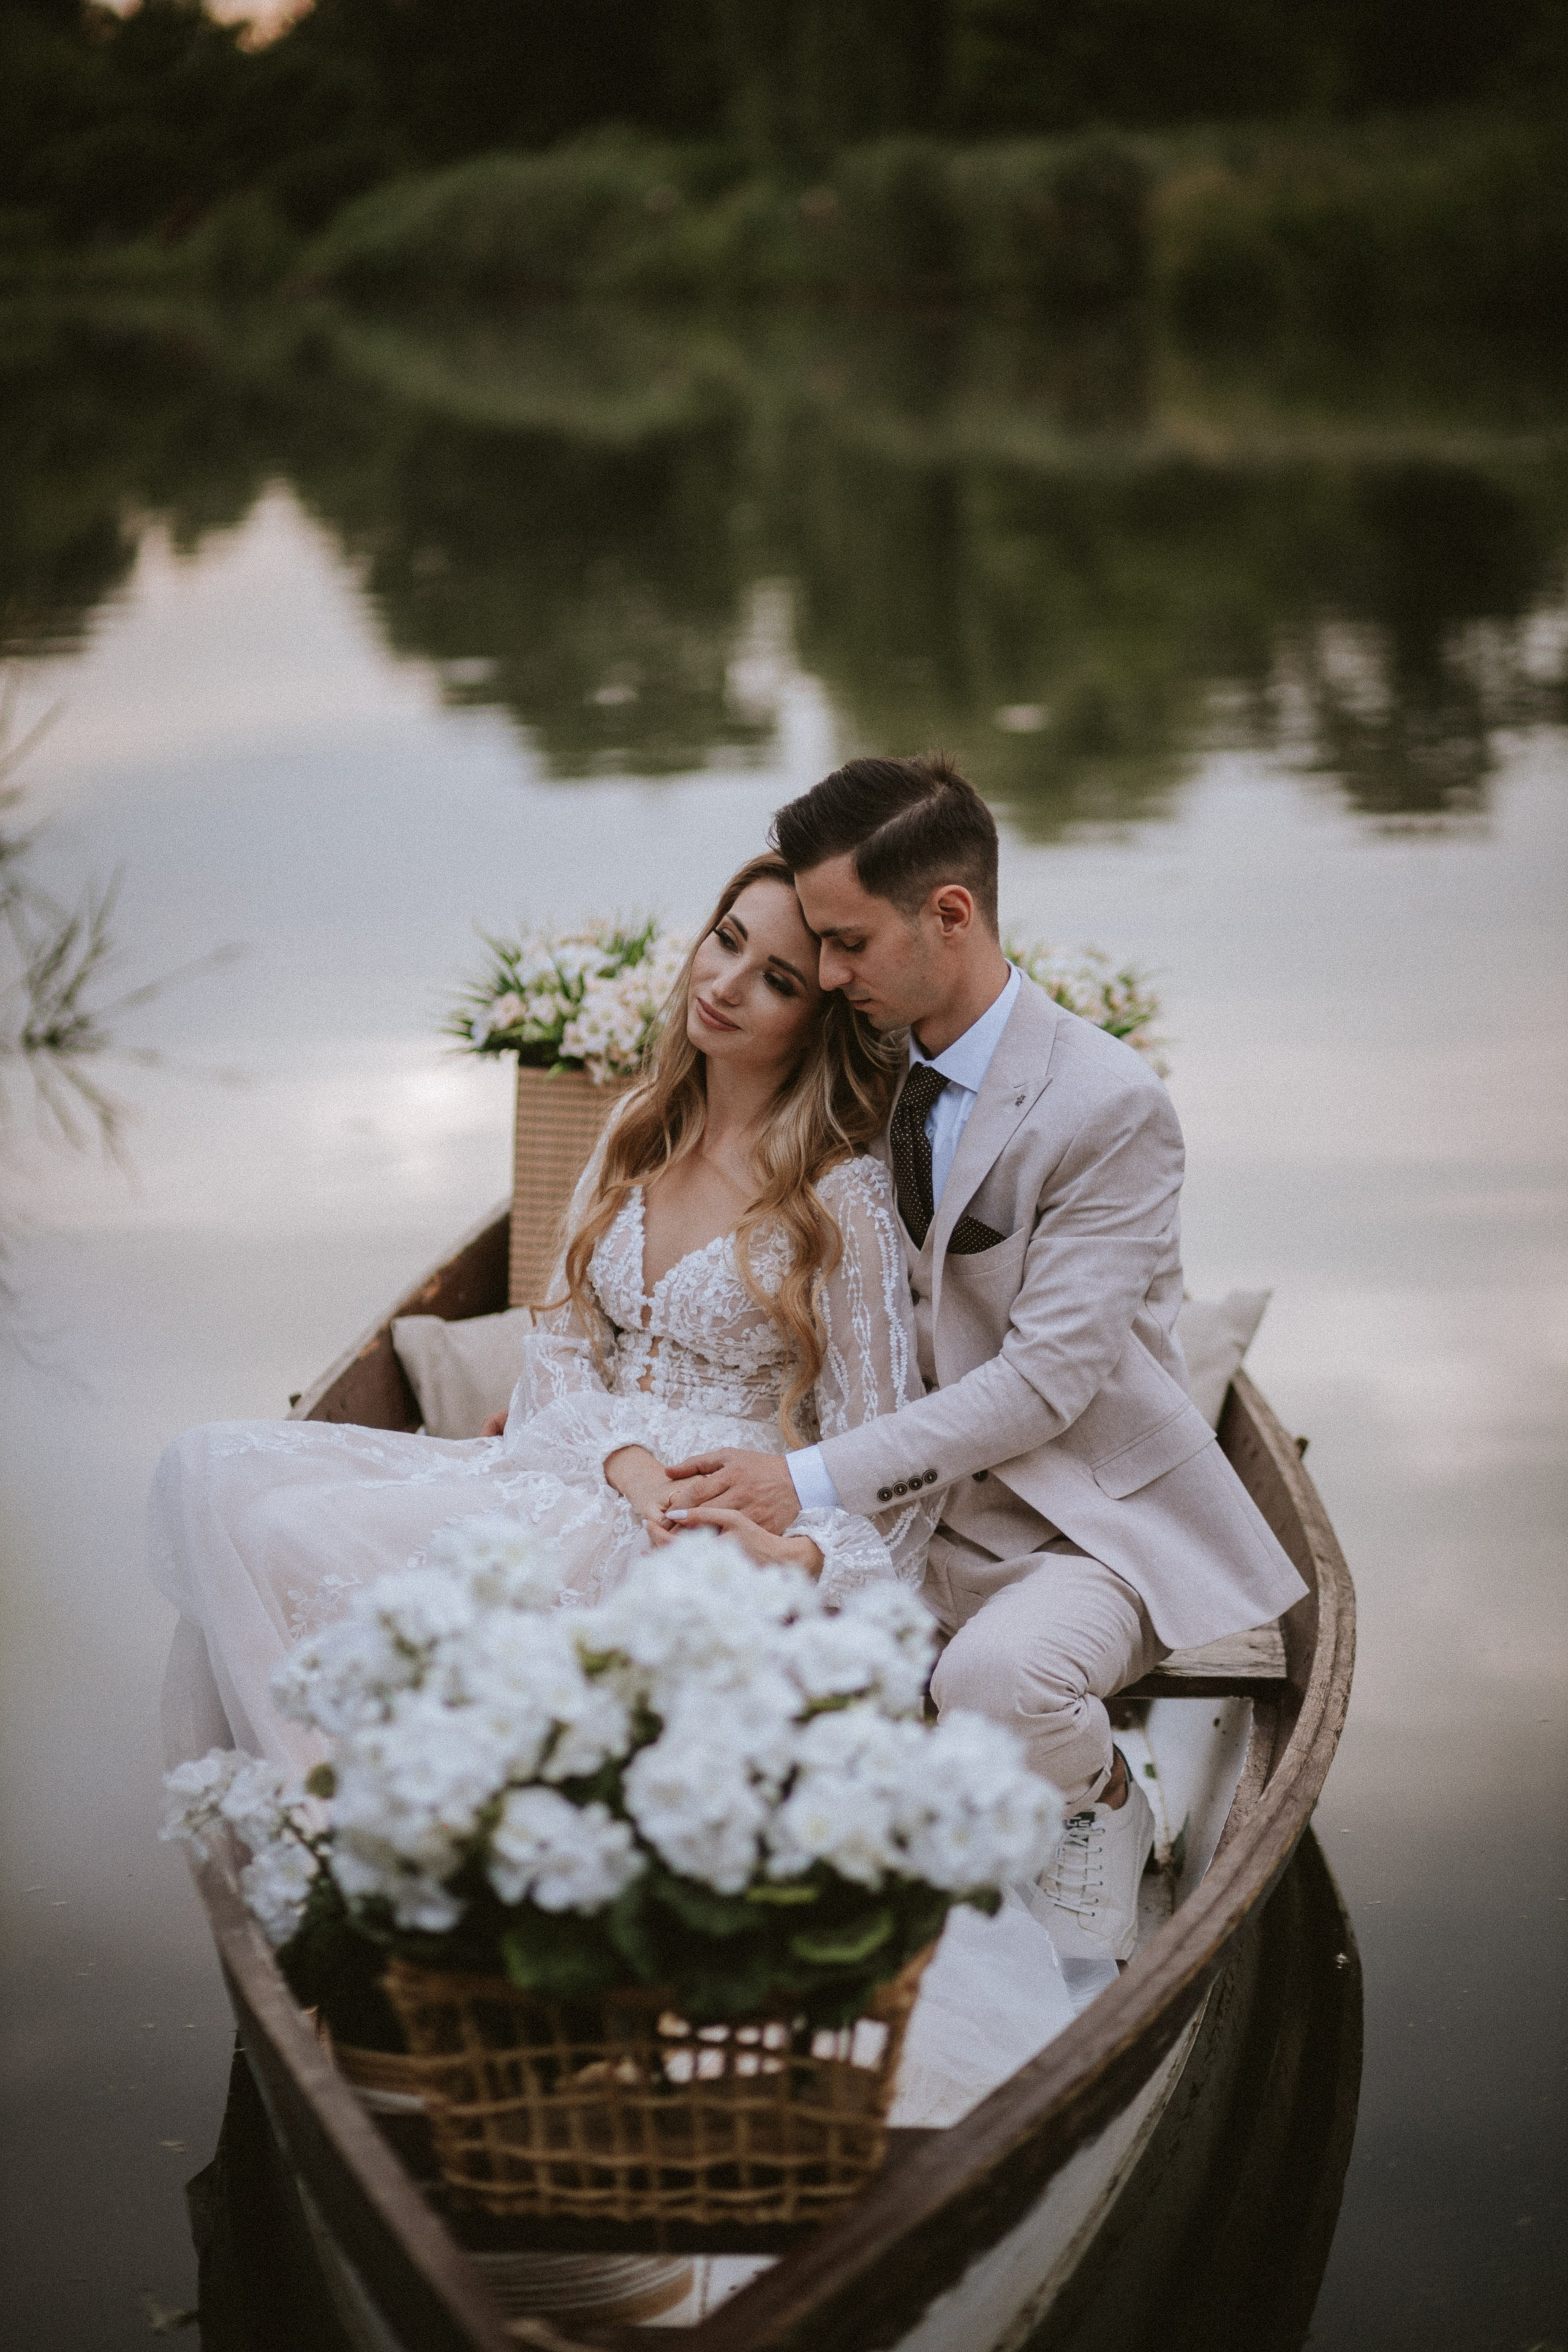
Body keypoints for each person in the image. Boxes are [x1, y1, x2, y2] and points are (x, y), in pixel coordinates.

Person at [663, 756, 1310, 1967]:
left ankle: (1104, 1798)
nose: (831, 974)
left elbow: (1040, 1387)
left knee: (992, 1686)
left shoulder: (1106, 1108)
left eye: (847, 944)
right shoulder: (874, 1061)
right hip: (903, 1521)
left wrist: (797, 1484)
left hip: (1073, 1528)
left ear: (946, 916)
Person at [150, 855, 937, 1776]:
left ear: (820, 1021)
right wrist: (626, 1467)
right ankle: (308, 1810)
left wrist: (795, 1553)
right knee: (221, 1478)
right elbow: (560, 1352)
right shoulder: (639, 1125)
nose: (724, 985)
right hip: (580, 1461)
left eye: (776, 981)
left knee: (321, 1551)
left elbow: (889, 1460)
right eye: (725, 940)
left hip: (709, 1520)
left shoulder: (841, 1197)